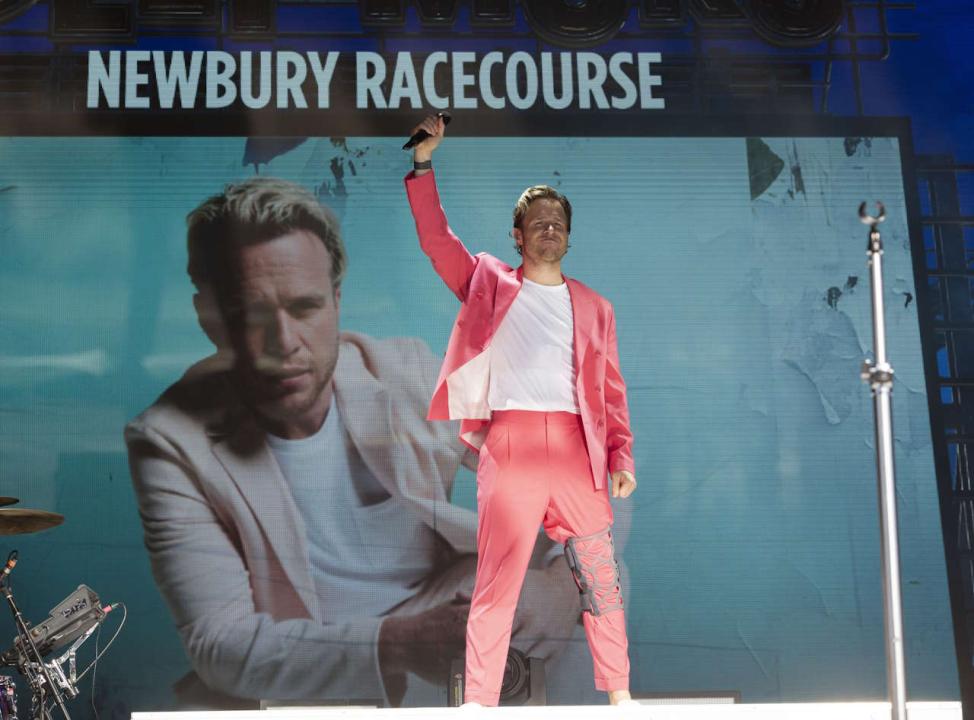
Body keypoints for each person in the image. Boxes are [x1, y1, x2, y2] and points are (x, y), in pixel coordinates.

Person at [124, 177, 580, 707]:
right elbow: (222, 644)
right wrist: (397, 644)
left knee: (556, 596)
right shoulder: (168, 440)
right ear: (209, 317)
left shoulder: (401, 371)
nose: (285, 343)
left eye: (304, 307)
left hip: (448, 623)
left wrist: (561, 591)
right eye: (251, 313)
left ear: (336, 301)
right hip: (310, 664)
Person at [404, 115, 639, 707]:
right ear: (518, 235)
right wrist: (424, 165)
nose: (549, 230)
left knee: (599, 575)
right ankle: (480, 702)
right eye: (538, 223)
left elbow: (611, 392)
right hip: (510, 445)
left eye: (558, 223)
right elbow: (438, 242)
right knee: (498, 580)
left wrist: (620, 456)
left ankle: (620, 694)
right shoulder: (488, 282)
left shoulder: (596, 307)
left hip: (573, 449)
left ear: (569, 236)